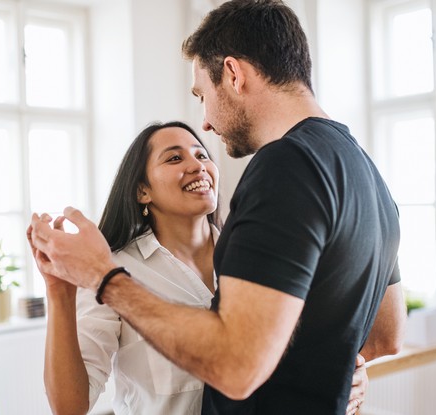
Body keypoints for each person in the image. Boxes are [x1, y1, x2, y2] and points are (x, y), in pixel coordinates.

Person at [29, 1, 406, 414]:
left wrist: (104, 277)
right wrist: (331, 372)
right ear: (141, 191)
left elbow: (238, 367)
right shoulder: (365, 169)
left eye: (202, 95)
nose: (206, 122)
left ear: (233, 73)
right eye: (174, 158)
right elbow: (384, 336)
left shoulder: (285, 166)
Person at [27, 121, 369, 415]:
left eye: (202, 154)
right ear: (142, 191)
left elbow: (294, 348)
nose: (197, 165)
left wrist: (345, 375)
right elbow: (70, 406)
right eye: (175, 157)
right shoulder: (110, 271)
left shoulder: (259, 256)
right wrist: (59, 293)